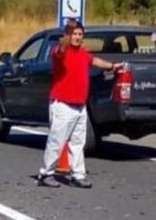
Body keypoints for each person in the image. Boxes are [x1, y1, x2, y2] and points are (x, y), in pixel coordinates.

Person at [37, 19, 123, 189]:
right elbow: (61, 48)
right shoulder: (60, 52)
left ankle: (78, 174)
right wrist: (68, 32)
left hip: (79, 106)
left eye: (79, 34)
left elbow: (96, 62)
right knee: (57, 141)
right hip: (63, 105)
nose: (76, 37)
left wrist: (112, 66)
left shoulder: (83, 53)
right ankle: (46, 173)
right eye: (74, 34)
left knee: (78, 143)